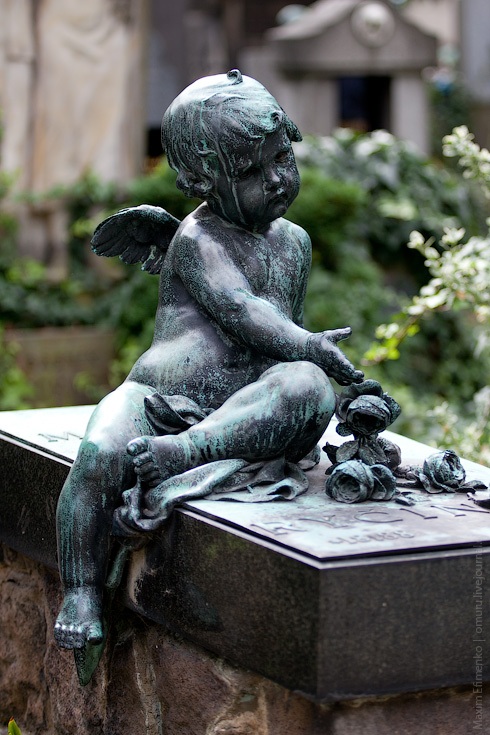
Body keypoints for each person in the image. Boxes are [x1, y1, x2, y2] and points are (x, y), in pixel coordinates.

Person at [54, 69, 363, 650]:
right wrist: (310, 345)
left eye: (282, 158)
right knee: (97, 456)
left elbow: (279, 337)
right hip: (159, 399)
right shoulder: (198, 238)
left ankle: (187, 452)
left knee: (308, 386)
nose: (277, 179)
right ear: (199, 181)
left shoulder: (294, 243)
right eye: (250, 172)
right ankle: (81, 588)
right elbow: (245, 312)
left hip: (238, 407)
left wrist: (310, 361)